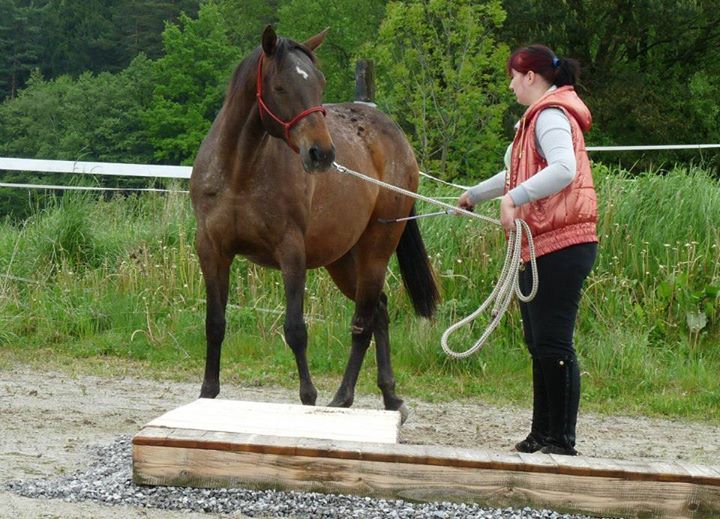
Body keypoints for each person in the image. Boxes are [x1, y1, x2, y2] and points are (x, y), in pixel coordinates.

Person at [457, 45, 598, 456]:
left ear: (531, 77)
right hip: (541, 243)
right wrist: (475, 195)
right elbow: (515, 173)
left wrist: (514, 198)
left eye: (514, 76)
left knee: (553, 342)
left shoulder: (552, 116)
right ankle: (543, 433)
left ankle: (561, 439)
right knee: (539, 343)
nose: (511, 83)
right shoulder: (536, 118)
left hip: (563, 242)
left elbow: (563, 168)